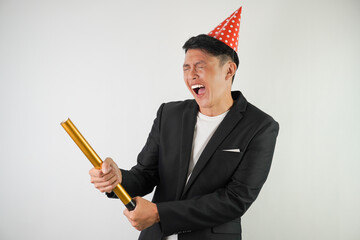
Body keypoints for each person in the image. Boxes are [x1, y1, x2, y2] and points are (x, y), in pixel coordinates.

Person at [89, 6, 279, 240]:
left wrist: (159, 213)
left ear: (229, 70)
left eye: (200, 67)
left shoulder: (260, 126)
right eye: (186, 68)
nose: (191, 76)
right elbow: (146, 174)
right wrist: (117, 178)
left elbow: (235, 200)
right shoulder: (169, 113)